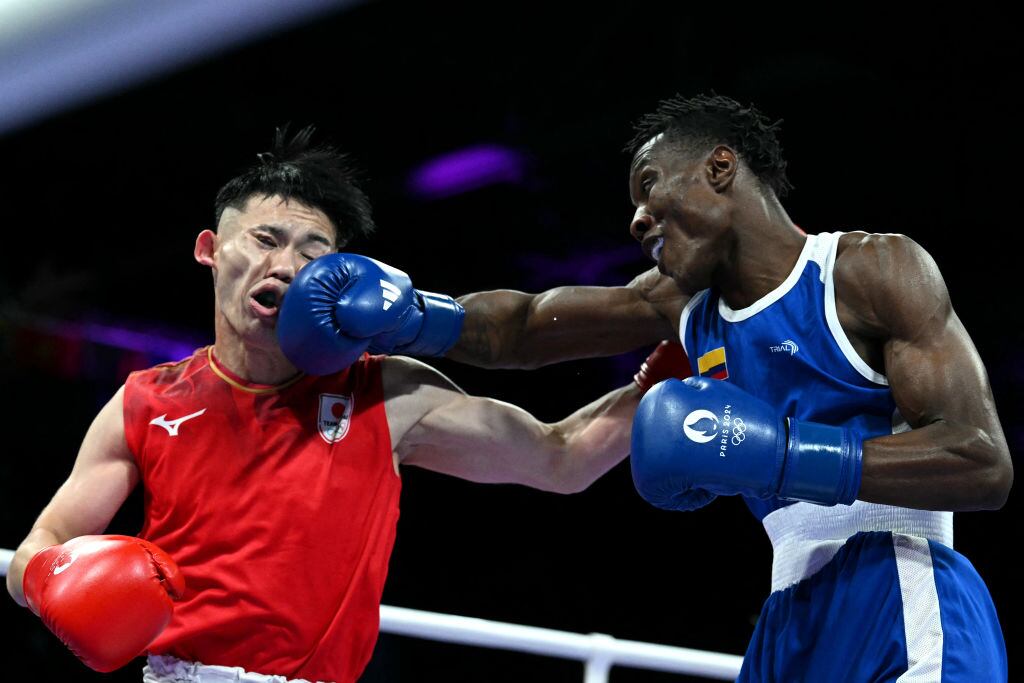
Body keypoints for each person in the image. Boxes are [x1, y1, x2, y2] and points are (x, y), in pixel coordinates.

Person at [315, 94, 1013, 680]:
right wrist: (414, 318)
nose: (637, 218)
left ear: (719, 168)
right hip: (789, 616)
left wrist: (786, 454)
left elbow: (982, 461)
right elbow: (526, 326)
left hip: (901, 582)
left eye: (649, 185)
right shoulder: (683, 304)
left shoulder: (867, 269)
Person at [4, 127, 678, 683]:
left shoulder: (384, 391)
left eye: (313, 252)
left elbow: (559, 459)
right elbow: (43, 540)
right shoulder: (145, 401)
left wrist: (661, 376)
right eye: (267, 240)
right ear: (211, 250)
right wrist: (54, 582)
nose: (287, 266)